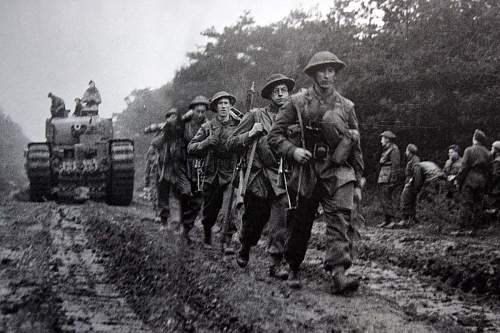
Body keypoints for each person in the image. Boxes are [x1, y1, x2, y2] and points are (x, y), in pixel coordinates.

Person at [268, 51, 364, 294]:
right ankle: (293, 267)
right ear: (313, 74)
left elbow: (356, 143)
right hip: (306, 170)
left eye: (331, 70)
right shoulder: (297, 102)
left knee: (340, 221)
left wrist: (360, 180)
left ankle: (339, 273)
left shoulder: (347, 105)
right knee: (301, 222)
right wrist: (293, 151)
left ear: (336, 73)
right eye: (321, 70)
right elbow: (274, 136)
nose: (326, 75)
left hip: (337, 170)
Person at [227, 73, 295, 279]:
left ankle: (276, 263)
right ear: (269, 95)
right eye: (276, 91)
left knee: (280, 221)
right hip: (257, 178)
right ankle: (245, 246)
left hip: (282, 177)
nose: (281, 94)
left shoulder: (295, 118)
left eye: (284, 90)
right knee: (254, 221)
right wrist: (250, 134)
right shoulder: (256, 116)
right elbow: (231, 143)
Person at [187, 91, 240, 253]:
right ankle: (207, 234)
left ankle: (226, 241)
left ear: (230, 106)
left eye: (226, 103)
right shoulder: (207, 127)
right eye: (220, 103)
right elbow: (191, 147)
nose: (223, 106)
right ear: (215, 107)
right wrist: (206, 142)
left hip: (230, 173)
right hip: (211, 174)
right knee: (210, 211)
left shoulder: (238, 125)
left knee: (228, 209)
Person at [456, 129, 491, 229]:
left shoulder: (469, 150)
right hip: (482, 179)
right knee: (478, 203)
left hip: (471, 178)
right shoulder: (487, 153)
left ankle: (463, 227)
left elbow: (463, 167)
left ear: (474, 138)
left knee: (466, 202)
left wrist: (459, 180)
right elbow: (489, 169)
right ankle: (476, 227)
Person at [377, 131, 401, 227]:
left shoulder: (394, 149)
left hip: (389, 177)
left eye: (382, 138)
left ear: (387, 139)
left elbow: (396, 165)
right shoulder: (386, 149)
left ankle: (391, 221)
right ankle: (386, 220)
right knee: (383, 198)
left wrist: (393, 179)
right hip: (383, 176)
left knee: (387, 198)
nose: (381, 140)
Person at [488, 141, 500, 218]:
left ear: (496, 149)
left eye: (492, 148)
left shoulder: (497, 161)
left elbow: (495, 175)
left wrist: (490, 185)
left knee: (493, 205)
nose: (491, 149)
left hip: (497, 187)